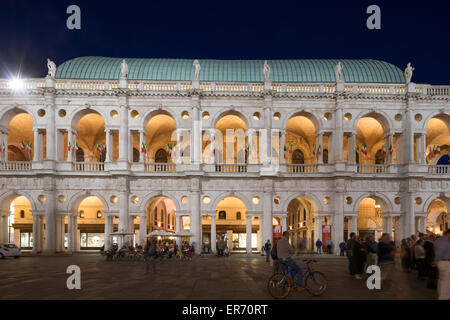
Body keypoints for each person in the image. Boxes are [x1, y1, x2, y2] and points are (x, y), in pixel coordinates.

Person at [434, 229, 450, 300]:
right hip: (445, 262)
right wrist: (436, 261)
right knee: (445, 282)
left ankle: (442, 296)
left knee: (443, 281)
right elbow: (439, 252)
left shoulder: (441, 240)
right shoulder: (443, 241)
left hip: (443, 262)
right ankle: (443, 297)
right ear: (448, 233)